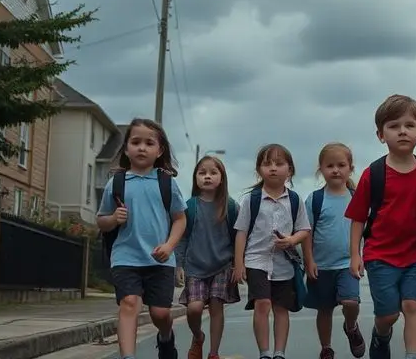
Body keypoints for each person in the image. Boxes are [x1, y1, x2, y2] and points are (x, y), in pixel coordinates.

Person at [345, 95, 416, 359]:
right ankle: (380, 335)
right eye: (394, 126)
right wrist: (354, 254)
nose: (403, 131)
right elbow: (359, 217)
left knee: (412, 304)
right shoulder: (373, 173)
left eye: (410, 125)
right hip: (380, 256)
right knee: (388, 315)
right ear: (381, 135)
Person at [96, 118, 187, 359]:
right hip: (126, 256)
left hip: (160, 260)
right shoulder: (116, 183)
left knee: (160, 313)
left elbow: (180, 219)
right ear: (126, 148)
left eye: (149, 143)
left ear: (160, 151)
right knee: (129, 303)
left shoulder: (166, 183)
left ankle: (165, 336)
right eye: (135, 142)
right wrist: (114, 218)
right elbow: (101, 221)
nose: (142, 148)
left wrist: (169, 245)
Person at [233, 144, 312, 359]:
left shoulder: (295, 200)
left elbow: (305, 229)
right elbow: (241, 232)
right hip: (256, 260)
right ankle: (264, 353)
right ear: (259, 170)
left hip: (284, 264)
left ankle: (279, 353)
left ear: (290, 170)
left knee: (281, 308)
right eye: (267, 164)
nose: (273, 168)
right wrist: (238, 263)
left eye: (279, 163)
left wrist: (292, 240)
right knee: (263, 303)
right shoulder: (252, 199)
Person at [303, 143, 366, 359]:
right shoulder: (315, 199)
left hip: (347, 264)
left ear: (350, 168)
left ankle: (351, 327)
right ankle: (326, 348)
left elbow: (365, 231)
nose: (336, 170)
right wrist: (309, 261)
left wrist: (361, 257)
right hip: (321, 266)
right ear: (321, 169)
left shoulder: (357, 197)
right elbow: (306, 233)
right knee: (324, 309)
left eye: (341, 165)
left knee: (351, 302)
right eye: (330, 166)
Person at [175, 155, 241, 359]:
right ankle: (198, 336)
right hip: (195, 267)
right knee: (194, 309)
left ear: (222, 178)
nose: (207, 176)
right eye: (202, 172)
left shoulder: (230, 206)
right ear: (195, 178)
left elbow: (239, 236)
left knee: (216, 307)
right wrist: (179, 265)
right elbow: (182, 238)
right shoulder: (190, 206)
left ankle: (213, 353)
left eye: (213, 172)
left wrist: (239, 264)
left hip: (222, 266)